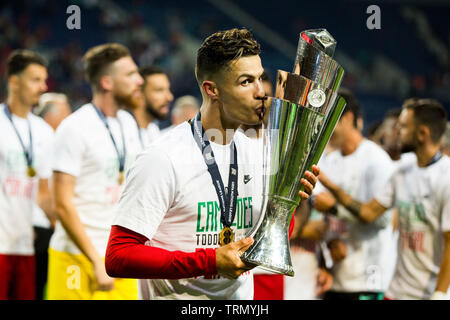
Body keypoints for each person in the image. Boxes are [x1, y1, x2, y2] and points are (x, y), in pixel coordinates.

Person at [105, 28, 319, 300]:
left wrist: (289, 202)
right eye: (245, 82)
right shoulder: (163, 158)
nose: (260, 92)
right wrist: (210, 261)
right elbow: (118, 256)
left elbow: (263, 241)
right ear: (212, 89)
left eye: (259, 79)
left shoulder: (259, 152)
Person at [319, 98, 450, 300]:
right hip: (397, 291)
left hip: (430, 293)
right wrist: (330, 186)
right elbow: (368, 213)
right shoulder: (402, 173)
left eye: (404, 127)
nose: (398, 132)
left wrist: (440, 293)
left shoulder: (446, 177)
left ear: (422, 133)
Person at [47, 43, 143, 300]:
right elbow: (62, 203)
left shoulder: (129, 124)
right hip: (75, 258)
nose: (139, 80)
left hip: (119, 258)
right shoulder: (75, 127)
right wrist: (95, 260)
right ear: (107, 82)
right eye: (130, 74)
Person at [311, 89, 397, 300]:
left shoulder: (376, 160)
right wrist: (330, 241)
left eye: (331, 121)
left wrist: (334, 207)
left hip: (368, 278)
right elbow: (324, 221)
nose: (326, 128)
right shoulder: (329, 161)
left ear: (348, 118)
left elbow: (382, 219)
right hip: (336, 277)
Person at [0, 49, 54, 300]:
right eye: (35, 80)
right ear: (13, 81)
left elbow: (44, 193)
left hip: (25, 245)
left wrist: (62, 227)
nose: (43, 87)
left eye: (44, 80)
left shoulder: (43, 131)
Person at [32, 92, 72, 300]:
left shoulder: (41, 134)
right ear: (51, 116)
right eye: (66, 111)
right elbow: (44, 192)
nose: (70, 115)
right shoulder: (46, 136)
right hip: (42, 225)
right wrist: (62, 225)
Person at [125, 65, 174, 148]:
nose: (169, 97)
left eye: (168, 89)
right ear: (139, 93)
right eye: (159, 90)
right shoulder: (124, 131)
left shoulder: (153, 130)